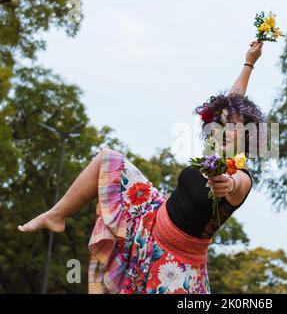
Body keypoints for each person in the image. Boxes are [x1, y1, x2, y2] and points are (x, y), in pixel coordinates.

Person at [18, 40, 266, 294]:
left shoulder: (241, 176)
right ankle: (56, 215)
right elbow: (234, 100)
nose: (225, 130)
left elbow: (235, 186)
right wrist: (249, 62)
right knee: (109, 159)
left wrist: (226, 183)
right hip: (150, 217)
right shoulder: (213, 153)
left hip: (176, 265)